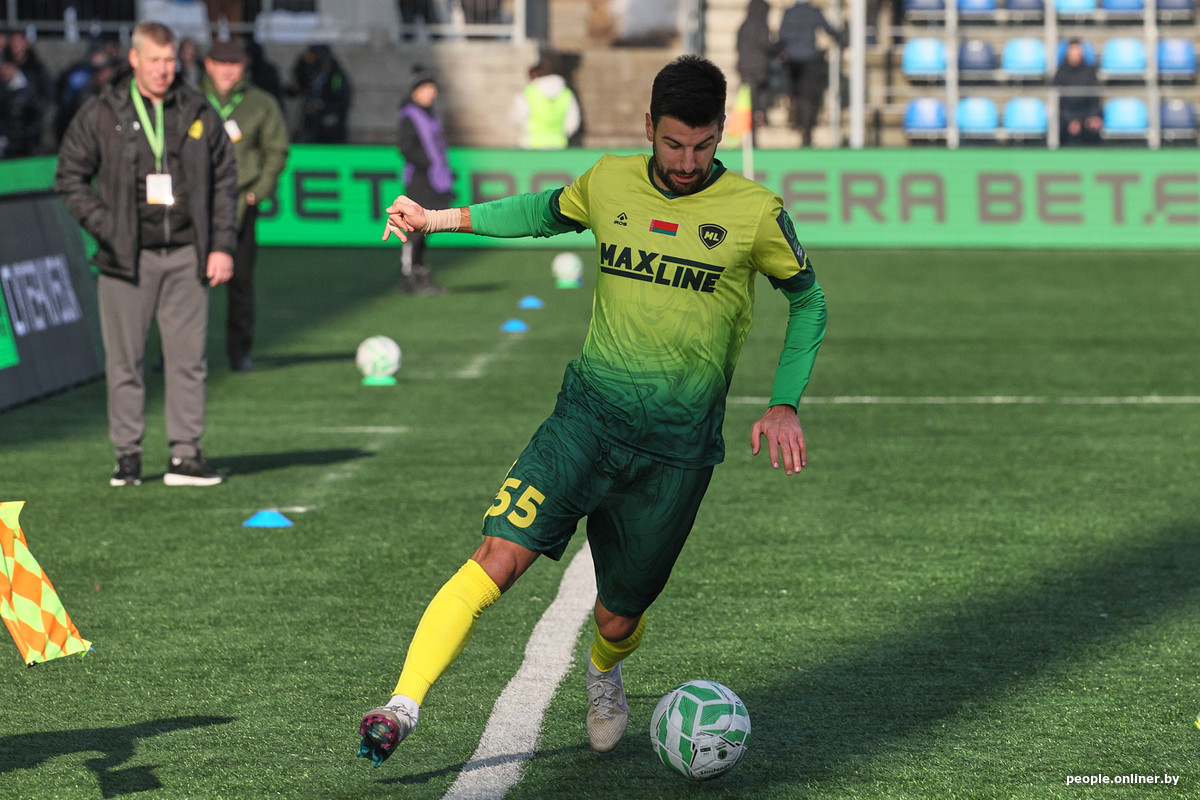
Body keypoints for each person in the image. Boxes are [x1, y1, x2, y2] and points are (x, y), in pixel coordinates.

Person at [356, 54, 827, 768]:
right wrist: (435, 219)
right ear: (649, 126)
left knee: (617, 617)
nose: (687, 162)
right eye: (673, 143)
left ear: (721, 130)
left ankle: (604, 670)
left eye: (703, 146)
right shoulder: (609, 181)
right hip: (586, 422)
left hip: (677, 452)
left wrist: (784, 402)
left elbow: (809, 300)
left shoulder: (756, 211)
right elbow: (538, 212)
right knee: (497, 555)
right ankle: (401, 706)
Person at [54, 21, 238, 487]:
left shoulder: (197, 109)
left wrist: (221, 245)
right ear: (134, 59)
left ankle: (185, 455)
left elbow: (224, 180)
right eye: (154, 60)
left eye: (170, 60)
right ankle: (128, 456)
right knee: (125, 362)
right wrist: (107, 227)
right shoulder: (103, 111)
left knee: (188, 360)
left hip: (187, 253)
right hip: (125, 259)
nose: (163, 70)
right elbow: (69, 175)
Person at [201, 38, 290, 372]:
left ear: (245, 67)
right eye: (222, 64)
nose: (228, 71)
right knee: (183, 284)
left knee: (240, 283)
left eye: (235, 64)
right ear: (209, 65)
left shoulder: (260, 103)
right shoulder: (189, 99)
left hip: (240, 204)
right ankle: (176, 352)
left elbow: (276, 150)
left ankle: (239, 352)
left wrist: (259, 191)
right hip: (195, 207)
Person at [396, 66, 454, 294]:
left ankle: (419, 273)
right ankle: (410, 275)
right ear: (416, 91)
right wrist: (429, 164)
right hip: (420, 180)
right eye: (426, 88)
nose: (432, 93)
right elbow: (406, 148)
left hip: (432, 180)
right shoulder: (410, 115)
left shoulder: (430, 113)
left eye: (433, 88)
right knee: (414, 229)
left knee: (425, 229)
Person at [776, 0, 839, 146]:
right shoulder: (814, 12)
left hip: (792, 62)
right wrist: (840, 36)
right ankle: (806, 131)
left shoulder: (789, 13)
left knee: (796, 95)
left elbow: (781, 36)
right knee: (809, 97)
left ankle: (796, 118)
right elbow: (830, 30)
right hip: (810, 60)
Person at [508, 59, 581, 150]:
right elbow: (573, 122)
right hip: (558, 144)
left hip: (530, 144)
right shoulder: (566, 94)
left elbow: (515, 118)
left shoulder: (527, 94)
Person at [288, 43, 352, 143]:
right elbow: (299, 87)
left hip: (330, 125)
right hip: (311, 124)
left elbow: (342, 101)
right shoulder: (312, 73)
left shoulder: (336, 77)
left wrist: (320, 107)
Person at [1053, 40, 1103, 146]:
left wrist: (1092, 116)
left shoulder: (1090, 73)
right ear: (1067, 53)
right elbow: (1058, 102)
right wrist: (1071, 120)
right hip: (1066, 115)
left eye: (1078, 51)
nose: (1075, 54)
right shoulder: (1060, 73)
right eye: (1073, 51)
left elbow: (1095, 99)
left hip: (1086, 113)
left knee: (1094, 128)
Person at [735, 0, 774, 131]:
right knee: (762, 91)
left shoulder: (744, 25)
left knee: (748, 96)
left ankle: (750, 121)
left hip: (744, 68)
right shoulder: (762, 25)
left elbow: (737, 46)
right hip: (760, 67)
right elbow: (766, 44)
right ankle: (760, 113)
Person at [0, 55, 43, 158]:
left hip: (22, 143)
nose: (5, 72)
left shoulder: (27, 90)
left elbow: (36, 116)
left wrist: (26, 134)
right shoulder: (3, 89)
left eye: (8, 68)